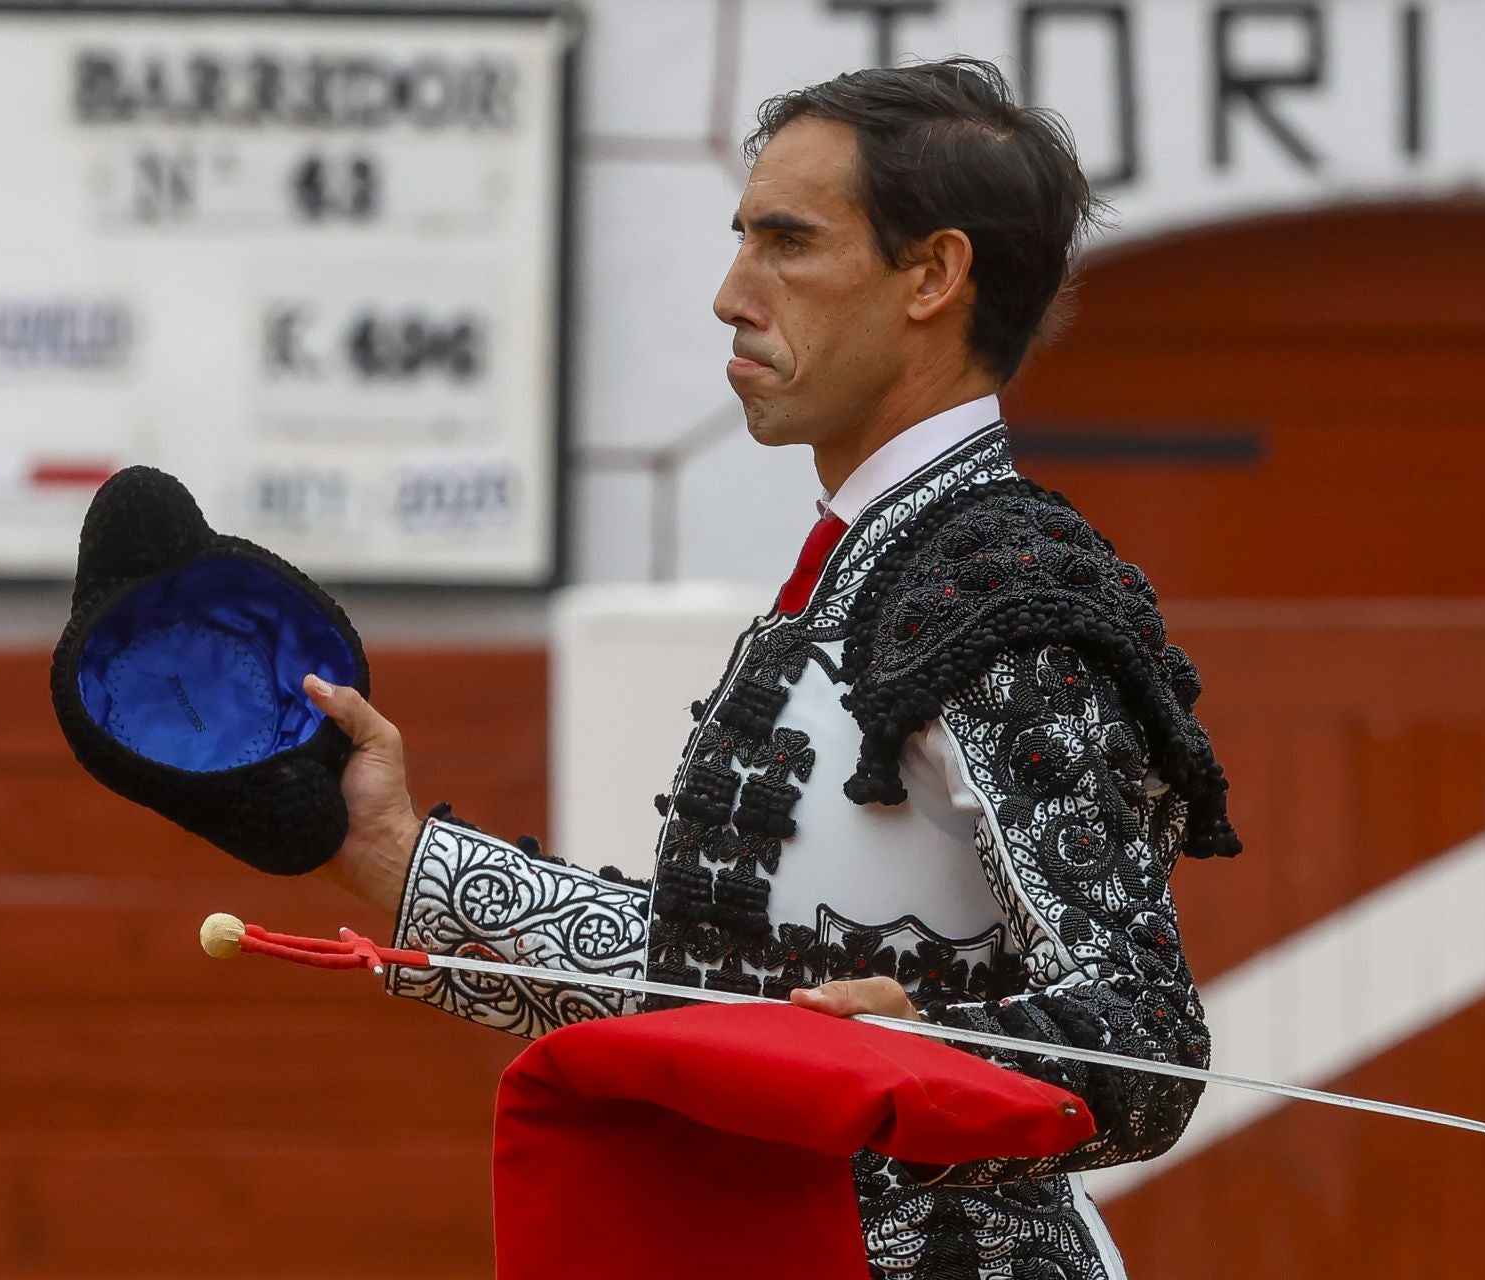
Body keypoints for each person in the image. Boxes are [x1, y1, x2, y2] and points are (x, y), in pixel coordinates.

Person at [302, 59, 1239, 1279]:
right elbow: (715, 993)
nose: (731, 294)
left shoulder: (1005, 599)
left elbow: (1144, 1040)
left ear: (933, 276)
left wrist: (930, 1045)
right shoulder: (884, 564)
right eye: (743, 238)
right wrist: (398, 856)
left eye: (787, 243)